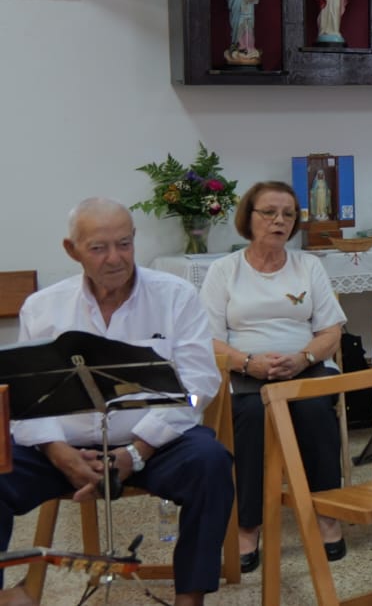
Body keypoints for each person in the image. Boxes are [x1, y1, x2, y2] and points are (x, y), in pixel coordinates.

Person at [0, 199, 233, 605]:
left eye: (124, 244)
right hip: (62, 451)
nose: (115, 258)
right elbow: (22, 401)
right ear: (72, 250)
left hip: (155, 446)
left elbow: (199, 385)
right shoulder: (43, 307)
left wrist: (137, 452)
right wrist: (58, 453)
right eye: (98, 248)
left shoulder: (175, 296)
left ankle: (190, 598)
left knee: (210, 463)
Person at [203, 181, 347, 572]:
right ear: (248, 218)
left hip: (304, 365)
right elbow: (209, 339)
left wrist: (303, 358)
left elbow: (331, 332)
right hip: (243, 370)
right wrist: (248, 362)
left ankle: (326, 513)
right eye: (269, 212)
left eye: (287, 214)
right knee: (251, 416)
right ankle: (248, 524)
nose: (279, 221)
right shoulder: (224, 271)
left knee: (315, 410)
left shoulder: (308, 266)